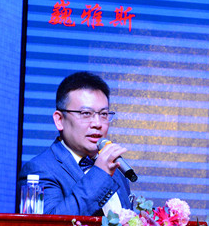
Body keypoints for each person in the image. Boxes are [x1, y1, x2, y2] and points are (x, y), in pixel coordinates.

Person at [19, 71, 133, 216]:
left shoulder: (114, 168)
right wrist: (99, 174)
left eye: (103, 114)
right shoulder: (39, 170)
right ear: (59, 120)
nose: (97, 123)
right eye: (86, 114)